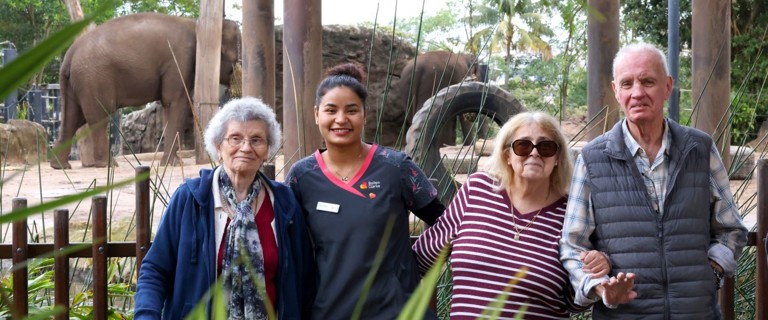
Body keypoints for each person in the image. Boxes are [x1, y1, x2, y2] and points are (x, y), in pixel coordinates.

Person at [560, 42, 749, 318]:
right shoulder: (592, 159)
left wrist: (710, 272)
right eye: (627, 84)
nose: (637, 93)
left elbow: (731, 228)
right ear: (616, 91)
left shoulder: (700, 149)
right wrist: (600, 287)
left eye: (647, 81)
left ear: (667, 87)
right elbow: (573, 244)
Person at [285, 63, 445, 319]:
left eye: (351, 110)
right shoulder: (301, 177)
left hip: (397, 311)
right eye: (331, 110)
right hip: (329, 312)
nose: (341, 119)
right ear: (316, 114)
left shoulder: (396, 168)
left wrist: (415, 263)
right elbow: (287, 246)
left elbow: (445, 223)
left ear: (365, 114)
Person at [412, 111, 610, 319]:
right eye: (523, 145)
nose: (534, 153)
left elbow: (574, 300)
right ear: (507, 155)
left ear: (557, 158)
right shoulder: (477, 190)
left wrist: (597, 266)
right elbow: (422, 260)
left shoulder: (571, 212)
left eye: (546, 147)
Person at [135, 97, 314, 319]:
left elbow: (304, 280)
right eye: (235, 138)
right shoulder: (190, 199)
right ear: (218, 146)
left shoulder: (284, 203)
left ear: (267, 150)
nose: (246, 148)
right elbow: (155, 270)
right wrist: (146, 315)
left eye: (257, 140)